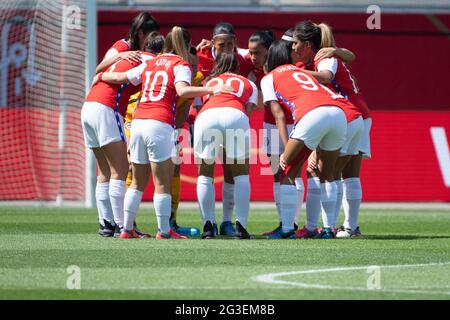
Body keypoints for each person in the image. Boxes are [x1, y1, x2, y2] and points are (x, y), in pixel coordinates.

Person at [94, 26, 234, 239]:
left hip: (138, 122)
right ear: (186, 47)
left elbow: (122, 77)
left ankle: (126, 229)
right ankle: (164, 231)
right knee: (162, 182)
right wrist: (212, 89)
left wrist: (102, 75)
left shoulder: (150, 62)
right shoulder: (181, 65)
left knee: (138, 182)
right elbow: (183, 91)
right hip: (159, 123)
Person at [261, 41, 357, 239]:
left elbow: (278, 114)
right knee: (328, 174)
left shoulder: (269, 77)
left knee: (286, 171)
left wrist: (287, 147)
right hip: (338, 114)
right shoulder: (303, 72)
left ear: (270, 59)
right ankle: (328, 229)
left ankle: (287, 230)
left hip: (312, 115)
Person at [292, 21, 368, 239]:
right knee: (345, 174)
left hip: (347, 116)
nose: (293, 49)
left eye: (295, 43)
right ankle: (347, 227)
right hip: (356, 115)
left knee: (324, 173)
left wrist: (294, 75)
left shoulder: (323, 59)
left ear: (307, 44)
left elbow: (327, 77)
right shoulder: (324, 57)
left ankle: (325, 228)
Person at [81, 33, 161, 238]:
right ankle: (122, 226)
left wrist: (99, 75)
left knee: (105, 171)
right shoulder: (152, 62)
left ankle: (106, 224)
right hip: (107, 107)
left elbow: (107, 73)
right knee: (120, 169)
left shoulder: (127, 56)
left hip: (88, 106)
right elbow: (121, 79)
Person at [192, 22, 253, 237]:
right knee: (241, 174)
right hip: (236, 115)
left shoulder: (208, 81)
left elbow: (198, 104)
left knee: (205, 175)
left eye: (229, 44)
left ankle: (209, 225)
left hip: (206, 116)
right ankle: (240, 226)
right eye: (221, 44)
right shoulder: (246, 80)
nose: (226, 49)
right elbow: (248, 110)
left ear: (235, 43)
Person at [96, 12, 160, 74]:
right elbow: (98, 69)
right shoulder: (121, 47)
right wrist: (120, 56)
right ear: (140, 33)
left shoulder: (143, 51)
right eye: (152, 36)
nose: (154, 39)